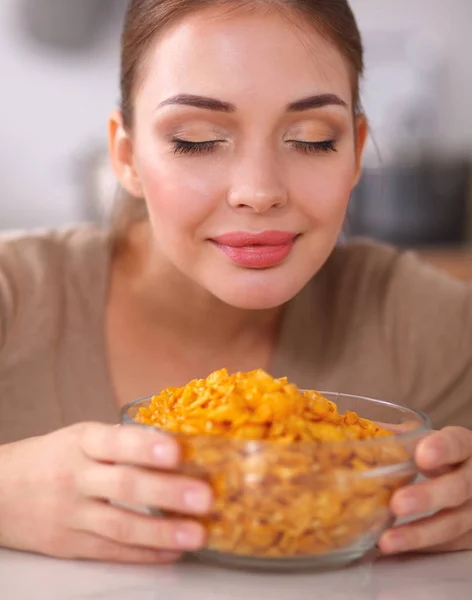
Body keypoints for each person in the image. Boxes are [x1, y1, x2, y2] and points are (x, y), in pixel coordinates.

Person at [0, 0, 471, 565]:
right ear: (126, 157)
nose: (258, 190)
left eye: (313, 138)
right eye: (196, 140)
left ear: (354, 152)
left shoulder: (420, 320)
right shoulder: (16, 296)